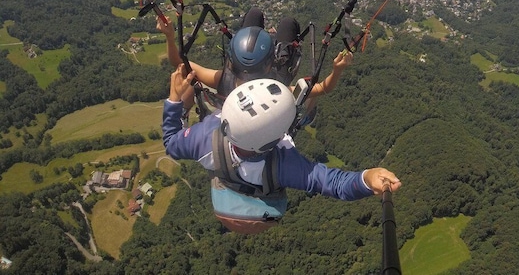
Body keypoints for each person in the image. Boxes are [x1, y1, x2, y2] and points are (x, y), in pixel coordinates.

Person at [162, 65, 401, 233]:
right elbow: (334, 183)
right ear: (277, 139)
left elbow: (172, 142)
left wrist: (176, 99)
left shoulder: (204, 139)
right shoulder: (283, 165)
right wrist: (366, 180)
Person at [156, 12, 353, 113]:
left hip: (231, 94)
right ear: (272, 62)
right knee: (288, 24)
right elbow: (322, 88)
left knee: (254, 14)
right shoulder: (277, 87)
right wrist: (337, 70)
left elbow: (180, 63)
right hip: (273, 81)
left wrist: (170, 37)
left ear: (231, 63)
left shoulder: (223, 79)